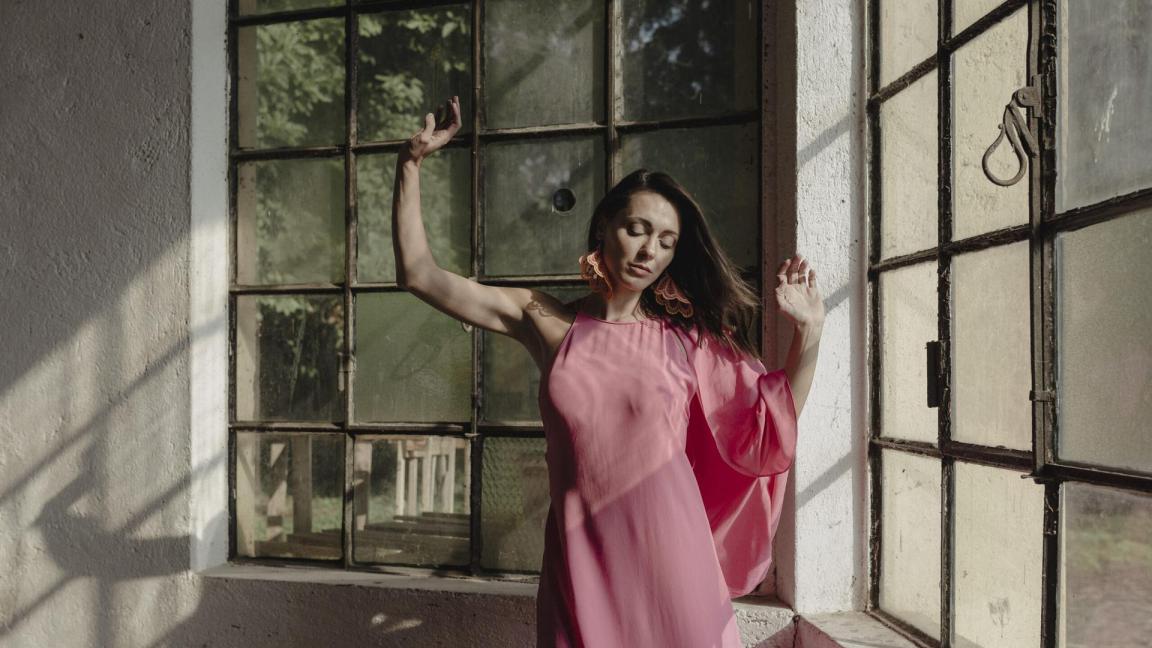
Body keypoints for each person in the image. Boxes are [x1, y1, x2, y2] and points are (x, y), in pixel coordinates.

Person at [393, 96, 825, 647]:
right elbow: (419, 274)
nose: (649, 251)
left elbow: (768, 427)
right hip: (579, 562)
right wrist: (410, 166)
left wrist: (809, 331)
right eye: (637, 229)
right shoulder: (548, 321)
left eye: (666, 242)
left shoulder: (687, 341)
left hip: (674, 561)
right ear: (604, 227)